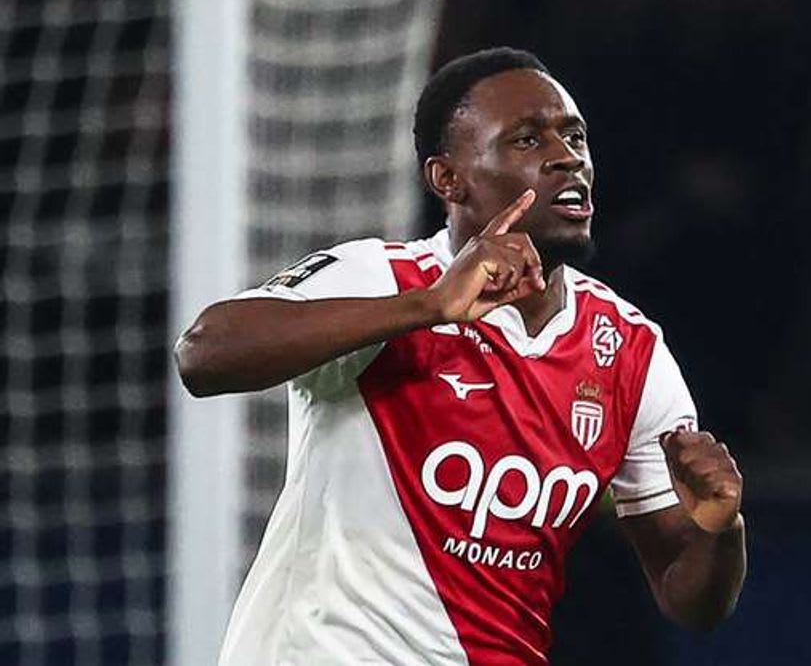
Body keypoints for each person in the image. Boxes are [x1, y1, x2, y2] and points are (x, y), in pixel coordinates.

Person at [175, 47, 746, 666]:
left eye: (575, 136)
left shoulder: (630, 350)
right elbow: (204, 353)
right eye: (527, 140)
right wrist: (428, 307)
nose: (567, 157)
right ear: (448, 179)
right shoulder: (385, 277)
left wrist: (720, 529)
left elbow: (690, 602)